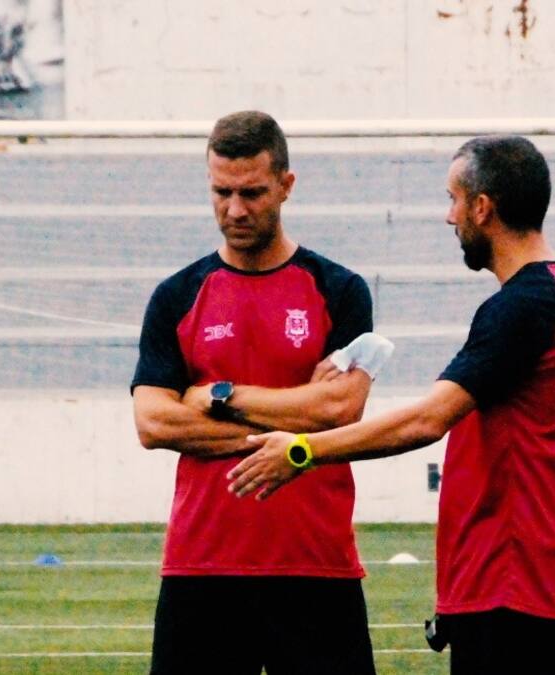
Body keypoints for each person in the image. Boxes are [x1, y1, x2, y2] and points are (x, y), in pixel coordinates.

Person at [228, 135, 555, 675]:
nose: (449, 216)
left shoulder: (526, 305)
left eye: (454, 199)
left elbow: (427, 420)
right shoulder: (551, 295)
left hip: (514, 582)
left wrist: (301, 451)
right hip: (521, 582)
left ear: (482, 207)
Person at [130, 110, 378, 675]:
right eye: (222, 193)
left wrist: (217, 396)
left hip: (315, 565)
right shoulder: (176, 296)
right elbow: (153, 423)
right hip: (202, 568)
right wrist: (288, 427)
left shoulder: (340, 290)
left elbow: (340, 409)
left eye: (252, 193)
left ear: (286, 185)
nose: (235, 210)